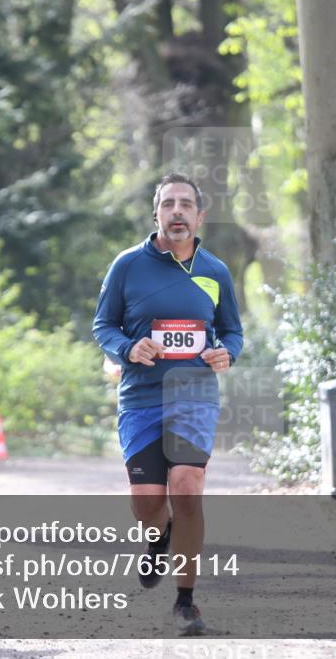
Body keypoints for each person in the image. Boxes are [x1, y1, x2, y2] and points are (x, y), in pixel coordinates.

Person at [92, 172, 243, 635]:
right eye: (168, 204)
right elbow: (103, 326)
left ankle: (186, 600)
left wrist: (227, 352)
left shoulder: (215, 271)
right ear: (156, 214)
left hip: (194, 395)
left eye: (185, 205)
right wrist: (128, 348)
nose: (177, 212)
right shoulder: (127, 266)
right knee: (147, 504)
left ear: (200, 216)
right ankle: (158, 539)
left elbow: (232, 330)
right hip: (140, 398)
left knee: (186, 484)